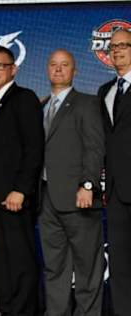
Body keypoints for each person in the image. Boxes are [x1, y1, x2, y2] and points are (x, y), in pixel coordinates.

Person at [0, 46, 44, 316]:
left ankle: (25, 312)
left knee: (21, 262)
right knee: (3, 263)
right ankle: (7, 310)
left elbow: (34, 148)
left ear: (13, 69)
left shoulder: (24, 98)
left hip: (15, 197)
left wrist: (21, 190)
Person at [39, 49, 105, 316]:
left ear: (74, 71)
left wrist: (88, 185)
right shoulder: (41, 105)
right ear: (47, 70)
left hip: (79, 199)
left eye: (64, 65)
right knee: (55, 268)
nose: (58, 69)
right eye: (53, 64)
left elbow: (95, 147)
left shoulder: (87, 103)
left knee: (88, 267)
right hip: (46, 200)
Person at [97, 28, 131, 316]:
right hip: (117, 192)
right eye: (113, 46)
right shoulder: (104, 91)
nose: (117, 50)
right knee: (119, 263)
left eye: (124, 45)